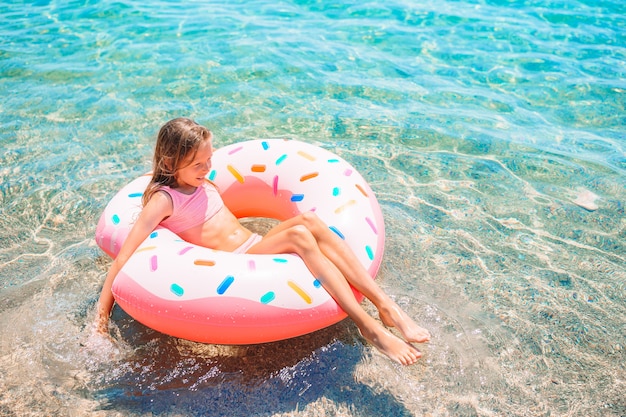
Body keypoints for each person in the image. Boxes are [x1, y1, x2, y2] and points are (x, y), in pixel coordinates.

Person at [96, 117, 430, 366]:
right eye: (199, 164)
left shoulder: (201, 182)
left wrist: (204, 172)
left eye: (209, 160)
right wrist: (100, 320)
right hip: (240, 261)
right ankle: (367, 325)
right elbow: (124, 257)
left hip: (256, 246)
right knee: (300, 233)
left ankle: (387, 307)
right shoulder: (164, 200)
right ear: (171, 163)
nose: (208, 168)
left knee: (311, 221)